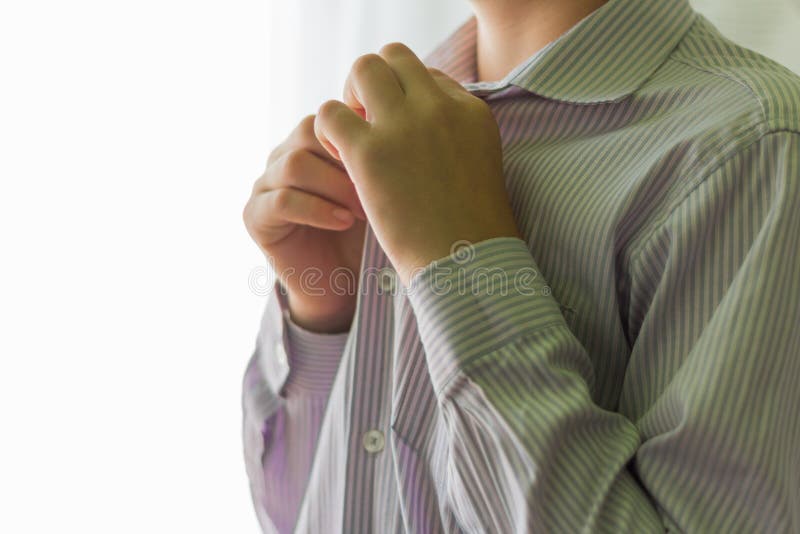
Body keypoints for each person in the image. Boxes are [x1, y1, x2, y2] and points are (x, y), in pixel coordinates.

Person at [241, 0, 800, 531]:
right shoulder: (389, 127)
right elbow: (294, 517)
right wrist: (326, 316)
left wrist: (463, 265)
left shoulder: (754, 151)